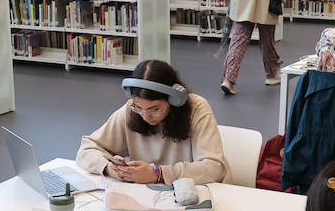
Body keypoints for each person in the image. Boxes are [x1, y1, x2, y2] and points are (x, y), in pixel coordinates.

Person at [77, 58, 229, 184]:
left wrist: (159, 174)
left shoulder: (197, 109)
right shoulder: (131, 109)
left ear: (174, 100)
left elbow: (214, 168)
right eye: (139, 107)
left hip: (200, 194)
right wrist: (108, 167)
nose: (145, 116)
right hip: (153, 199)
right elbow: (87, 148)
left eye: (154, 109)